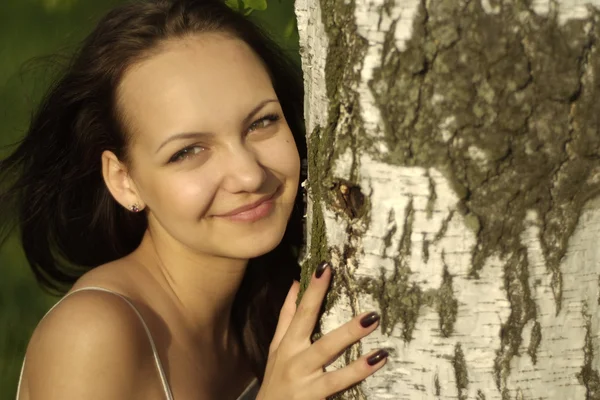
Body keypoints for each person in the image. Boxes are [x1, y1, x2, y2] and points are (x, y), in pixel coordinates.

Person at [0, 0, 388, 398]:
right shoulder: (90, 336)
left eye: (261, 122)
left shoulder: (271, 295)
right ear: (124, 180)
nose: (249, 175)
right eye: (188, 151)